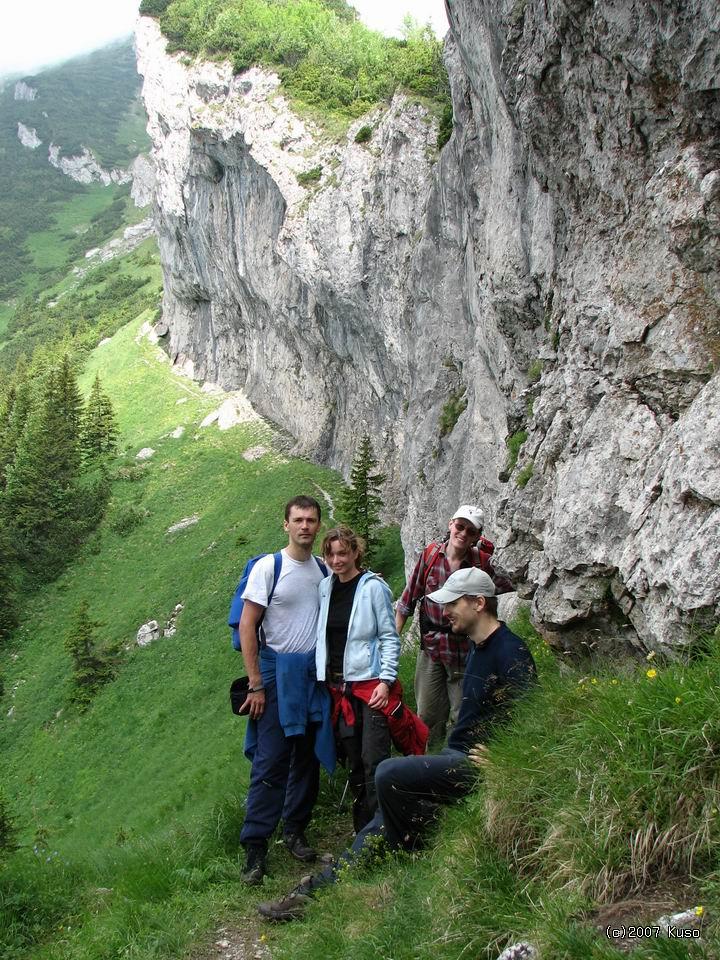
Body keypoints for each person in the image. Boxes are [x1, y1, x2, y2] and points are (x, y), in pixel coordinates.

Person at [257, 567, 537, 920]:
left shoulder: (511, 652)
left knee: (388, 773)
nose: (444, 611)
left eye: (452, 603)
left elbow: (533, 719)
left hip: (475, 765)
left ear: (478, 603)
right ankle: (316, 892)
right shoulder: (479, 648)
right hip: (456, 755)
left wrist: (504, 760)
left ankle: (419, 838)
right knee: (380, 822)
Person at [238, 495, 334, 885]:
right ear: (286, 525)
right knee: (271, 761)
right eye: (298, 520)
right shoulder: (269, 568)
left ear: (318, 525)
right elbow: (248, 626)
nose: (305, 526)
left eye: (312, 520)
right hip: (276, 678)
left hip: (312, 677)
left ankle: (295, 830)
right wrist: (256, 684)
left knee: (307, 758)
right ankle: (255, 848)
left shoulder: (323, 570)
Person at [395, 504, 512, 747]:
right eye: (460, 526)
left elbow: (506, 585)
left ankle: (454, 763)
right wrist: (394, 638)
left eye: (470, 531)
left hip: (465, 651)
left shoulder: (482, 564)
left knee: (461, 714)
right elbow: (408, 599)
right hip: (431, 649)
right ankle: (428, 763)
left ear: (477, 537)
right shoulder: (429, 556)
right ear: (451, 525)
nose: (463, 533)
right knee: (427, 714)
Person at [316, 525, 401, 832]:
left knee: (374, 758)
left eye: (342, 553)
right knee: (352, 761)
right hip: (339, 687)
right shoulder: (325, 589)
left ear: (355, 552)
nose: (337, 560)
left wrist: (386, 680)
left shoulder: (372, 588)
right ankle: (362, 832)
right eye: (330, 554)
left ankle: (386, 827)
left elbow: (389, 637)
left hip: (370, 686)